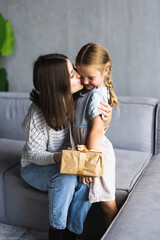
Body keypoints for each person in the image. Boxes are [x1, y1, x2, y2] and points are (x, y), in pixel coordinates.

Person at [20, 53, 112, 240]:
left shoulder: (79, 98)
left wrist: (106, 120)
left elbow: (91, 132)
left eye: (74, 69)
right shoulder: (37, 115)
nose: (79, 75)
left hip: (68, 160)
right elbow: (33, 155)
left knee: (87, 178)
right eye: (72, 74)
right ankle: (56, 233)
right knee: (67, 179)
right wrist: (58, 157)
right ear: (57, 85)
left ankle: (72, 232)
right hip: (35, 167)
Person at [70, 43, 119, 228]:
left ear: (105, 71)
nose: (85, 81)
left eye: (91, 77)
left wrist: (88, 166)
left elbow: (96, 131)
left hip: (97, 155)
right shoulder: (83, 92)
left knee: (106, 202)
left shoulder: (97, 96)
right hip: (84, 153)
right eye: (81, 76)